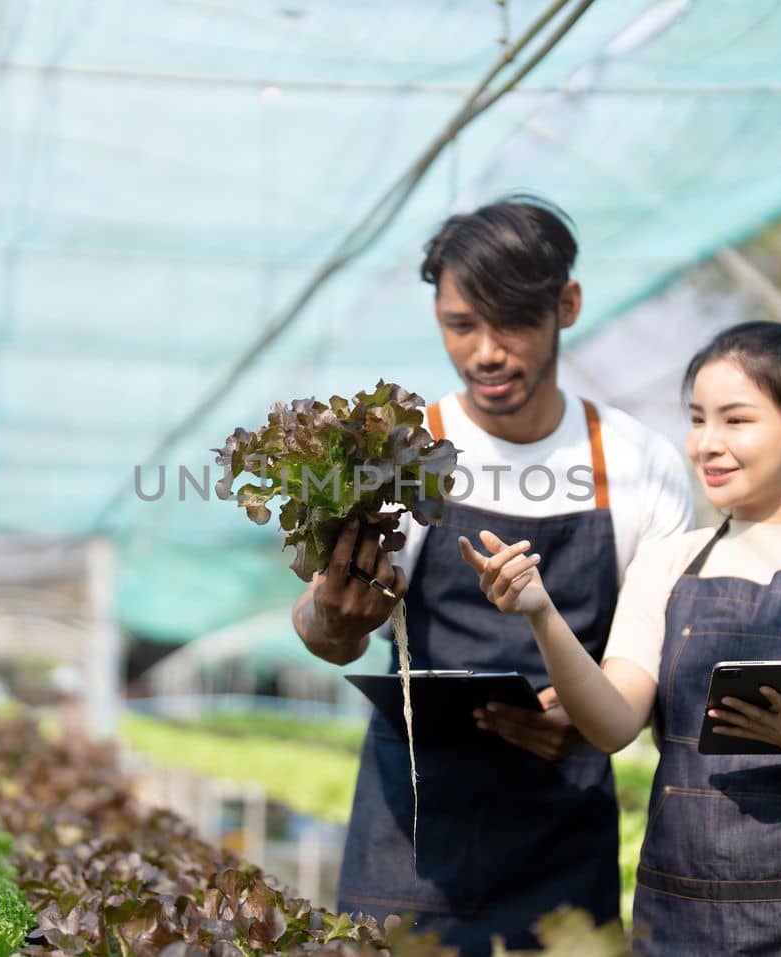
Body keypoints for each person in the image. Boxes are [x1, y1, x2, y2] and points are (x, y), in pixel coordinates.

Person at [460, 320, 781, 956]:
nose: (706, 445)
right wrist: (541, 612)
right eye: (697, 420)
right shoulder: (665, 564)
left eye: (736, 421)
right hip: (682, 915)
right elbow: (610, 725)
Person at [291, 196, 692, 954]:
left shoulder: (640, 466)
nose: (484, 352)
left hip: (561, 830)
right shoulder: (400, 452)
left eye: (510, 321)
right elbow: (324, 630)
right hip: (410, 828)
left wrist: (594, 716)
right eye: (460, 324)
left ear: (566, 305)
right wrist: (331, 619)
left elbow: (652, 658)